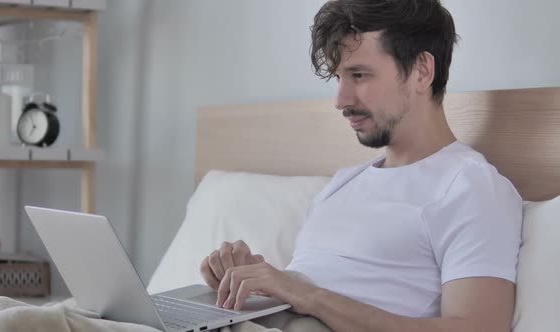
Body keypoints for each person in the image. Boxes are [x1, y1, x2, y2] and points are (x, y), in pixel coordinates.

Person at [200, 0, 523, 331]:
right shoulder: (342, 185)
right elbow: (316, 285)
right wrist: (254, 280)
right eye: (340, 77)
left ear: (422, 71)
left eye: (359, 75)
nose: (341, 100)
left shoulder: (471, 186)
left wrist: (308, 296)